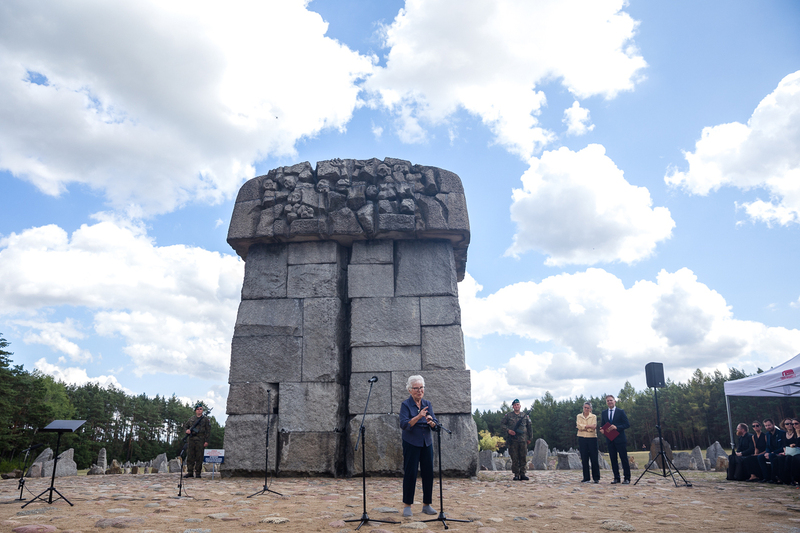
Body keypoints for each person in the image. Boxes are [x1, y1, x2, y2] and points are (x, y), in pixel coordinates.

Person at [399, 375, 438, 518]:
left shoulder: (428, 403)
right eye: (416, 388)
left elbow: (435, 424)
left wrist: (431, 422)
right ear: (410, 390)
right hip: (411, 442)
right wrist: (419, 416)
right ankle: (407, 505)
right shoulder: (406, 405)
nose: (420, 391)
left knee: (428, 473)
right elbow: (404, 424)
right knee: (411, 473)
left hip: (426, 442)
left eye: (421, 387)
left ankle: (427, 505)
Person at [599, 394, 630, 484]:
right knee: (613, 459)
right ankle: (616, 477)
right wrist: (602, 430)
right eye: (608, 401)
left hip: (620, 439)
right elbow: (602, 425)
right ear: (606, 403)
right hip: (610, 439)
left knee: (623, 458)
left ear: (614, 401)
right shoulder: (604, 413)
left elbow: (627, 424)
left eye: (611, 400)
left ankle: (627, 478)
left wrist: (617, 427)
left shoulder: (621, 412)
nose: (609, 402)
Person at [501, 399, 532, 481]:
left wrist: (530, 438)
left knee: (523, 457)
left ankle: (523, 474)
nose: (516, 406)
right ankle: (516, 474)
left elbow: (529, 427)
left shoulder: (525, 416)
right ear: (513, 406)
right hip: (513, 440)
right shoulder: (508, 416)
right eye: (515, 405)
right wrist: (508, 431)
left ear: (520, 406)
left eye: (518, 405)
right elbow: (502, 425)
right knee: (514, 458)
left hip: (523, 440)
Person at [183, 401, 211, 478]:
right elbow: (185, 426)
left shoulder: (205, 420)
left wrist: (206, 441)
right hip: (191, 439)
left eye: (201, 409)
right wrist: (187, 430)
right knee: (190, 456)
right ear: (195, 410)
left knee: (199, 456)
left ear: (202, 410)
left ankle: (198, 472)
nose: (199, 410)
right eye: (198, 409)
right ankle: (190, 472)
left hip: (201, 439)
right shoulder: (191, 419)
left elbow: (208, 431)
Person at [576, 401, 600, 483]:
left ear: (590, 409)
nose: (586, 409)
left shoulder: (593, 416)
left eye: (588, 408)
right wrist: (588, 426)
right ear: (583, 407)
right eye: (585, 407)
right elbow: (578, 425)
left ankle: (596, 478)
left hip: (592, 438)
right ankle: (586, 477)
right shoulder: (579, 416)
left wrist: (583, 427)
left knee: (594, 458)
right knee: (584, 458)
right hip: (582, 438)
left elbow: (593, 427)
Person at [757, 418, 786, 483]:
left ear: (773, 424)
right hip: (771, 453)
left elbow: (783, 447)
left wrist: (773, 452)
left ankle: (774, 478)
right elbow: (767, 446)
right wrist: (767, 452)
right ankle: (766, 477)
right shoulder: (767, 434)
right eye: (766, 426)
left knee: (772, 456)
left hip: (780, 453)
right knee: (760, 457)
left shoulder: (782, 433)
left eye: (769, 425)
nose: (768, 427)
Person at [775, 418, 798, 485]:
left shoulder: (796, 433)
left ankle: (791, 479)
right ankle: (782, 478)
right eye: (787, 424)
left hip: (795, 452)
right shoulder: (784, 435)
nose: (789, 425)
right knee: (779, 458)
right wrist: (785, 452)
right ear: (784, 425)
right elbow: (784, 445)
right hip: (788, 451)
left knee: (788, 459)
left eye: (791, 423)